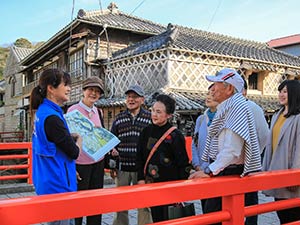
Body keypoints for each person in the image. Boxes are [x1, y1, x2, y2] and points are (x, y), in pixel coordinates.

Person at [189, 68, 261, 225]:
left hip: (229, 170)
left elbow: (231, 150)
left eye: (216, 84)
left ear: (229, 88)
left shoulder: (236, 108)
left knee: (216, 217)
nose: (212, 89)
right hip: (229, 169)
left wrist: (210, 170)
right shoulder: (232, 106)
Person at [30, 68, 82, 225]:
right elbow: (74, 152)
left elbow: (52, 145)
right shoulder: (53, 118)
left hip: (46, 180)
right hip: (58, 186)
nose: (69, 88)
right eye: (65, 84)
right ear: (51, 89)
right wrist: (79, 139)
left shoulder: (42, 113)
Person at [137, 94, 190, 222]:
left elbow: (183, 164)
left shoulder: (176, 136)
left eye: (159, 112)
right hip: (151, 184)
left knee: (170, 219)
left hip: (170, 187)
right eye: (153, 110)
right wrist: (140, 179)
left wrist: (180, 190)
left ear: (169, 115)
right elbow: (139, 157)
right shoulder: (146, 132)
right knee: (157, 218)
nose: (154, 114)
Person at [111, 85, 153, 225]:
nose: (131, 99)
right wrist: (112, 161)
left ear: (142, 100)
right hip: (123, 167)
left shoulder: (149, 118)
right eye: (129, 97)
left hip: (142, 168)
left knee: (144, 203)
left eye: (135, 97)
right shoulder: (119, 118)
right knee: (120, 204)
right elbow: (112, 141)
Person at [67, 76, 105, 225]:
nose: (93, 94)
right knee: (78, 203)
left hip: (98, 162)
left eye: (97, 91)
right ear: (83, 91)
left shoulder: (99, 112)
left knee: (95, 202)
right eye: (90, 90)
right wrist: (71, 166)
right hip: (80, 163)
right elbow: (67, 142)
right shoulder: (73, 111)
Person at [262, 79, 300, 224]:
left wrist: (295, 174)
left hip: (290, 172)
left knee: (293, 214)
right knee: (281, 212)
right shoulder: (277, 115)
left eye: (285, 92)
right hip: (277, 169)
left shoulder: (298, 118)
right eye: (280, 91)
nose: (281, 94)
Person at [242, 76, 269, 225]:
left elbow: (265, 135)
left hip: (249, 164)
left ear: (245, 91)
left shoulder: (253, 108)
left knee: (250, 200)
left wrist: (254, 154)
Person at [191, 85, 218, 210]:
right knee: (205, 208)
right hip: (201, 169)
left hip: (217, 172)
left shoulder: (225, 118)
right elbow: (194, 143)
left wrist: (210, 169)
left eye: (212, 93)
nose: (208, 96)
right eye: (207, 93)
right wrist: (197, 165)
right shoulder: (201, 119)